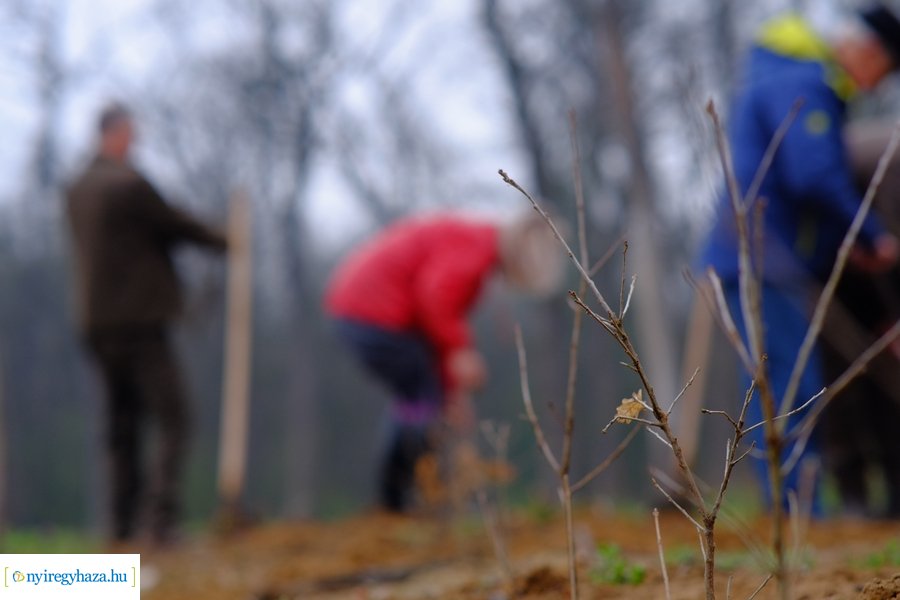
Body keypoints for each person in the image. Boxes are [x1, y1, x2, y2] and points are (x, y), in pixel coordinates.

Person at [698, 4, 900, 514]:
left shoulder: (787, 76)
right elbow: (812, 174)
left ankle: (794, 510)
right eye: (886, 71)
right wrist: (871, 234)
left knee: (779, 382)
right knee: (790, 387)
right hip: (766, 256)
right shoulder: (806, 82)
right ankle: (796, 514)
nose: (877, 85)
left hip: (762, 254)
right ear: (866, 51)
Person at [65, 103, 227, 545]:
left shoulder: (76, 188)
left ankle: (119, 527)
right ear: (114, 134)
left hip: (95, 324)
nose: (134, 143)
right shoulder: (128, 186)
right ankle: (159, 522)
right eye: (131, 134)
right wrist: (229, 239)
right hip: (139, 323)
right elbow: (176, 224)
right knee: (175, 417)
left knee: (120, 424)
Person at [324, 212, 562, 512]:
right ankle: (398, 501)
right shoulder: (475, 249)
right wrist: (460, 351)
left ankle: (406, 500)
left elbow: (433, 326)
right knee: (422, 400)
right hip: (371, 314)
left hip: (362, 312)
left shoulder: (474, 241)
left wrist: (451, 388)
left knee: (421, 397)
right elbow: (435, 296)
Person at [818, 121, 900, 519]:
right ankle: (854, 497)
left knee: (888, 388)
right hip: (829, 280)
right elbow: (883, 244)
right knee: (843, 388)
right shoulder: (887, 165)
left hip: (876, 279)